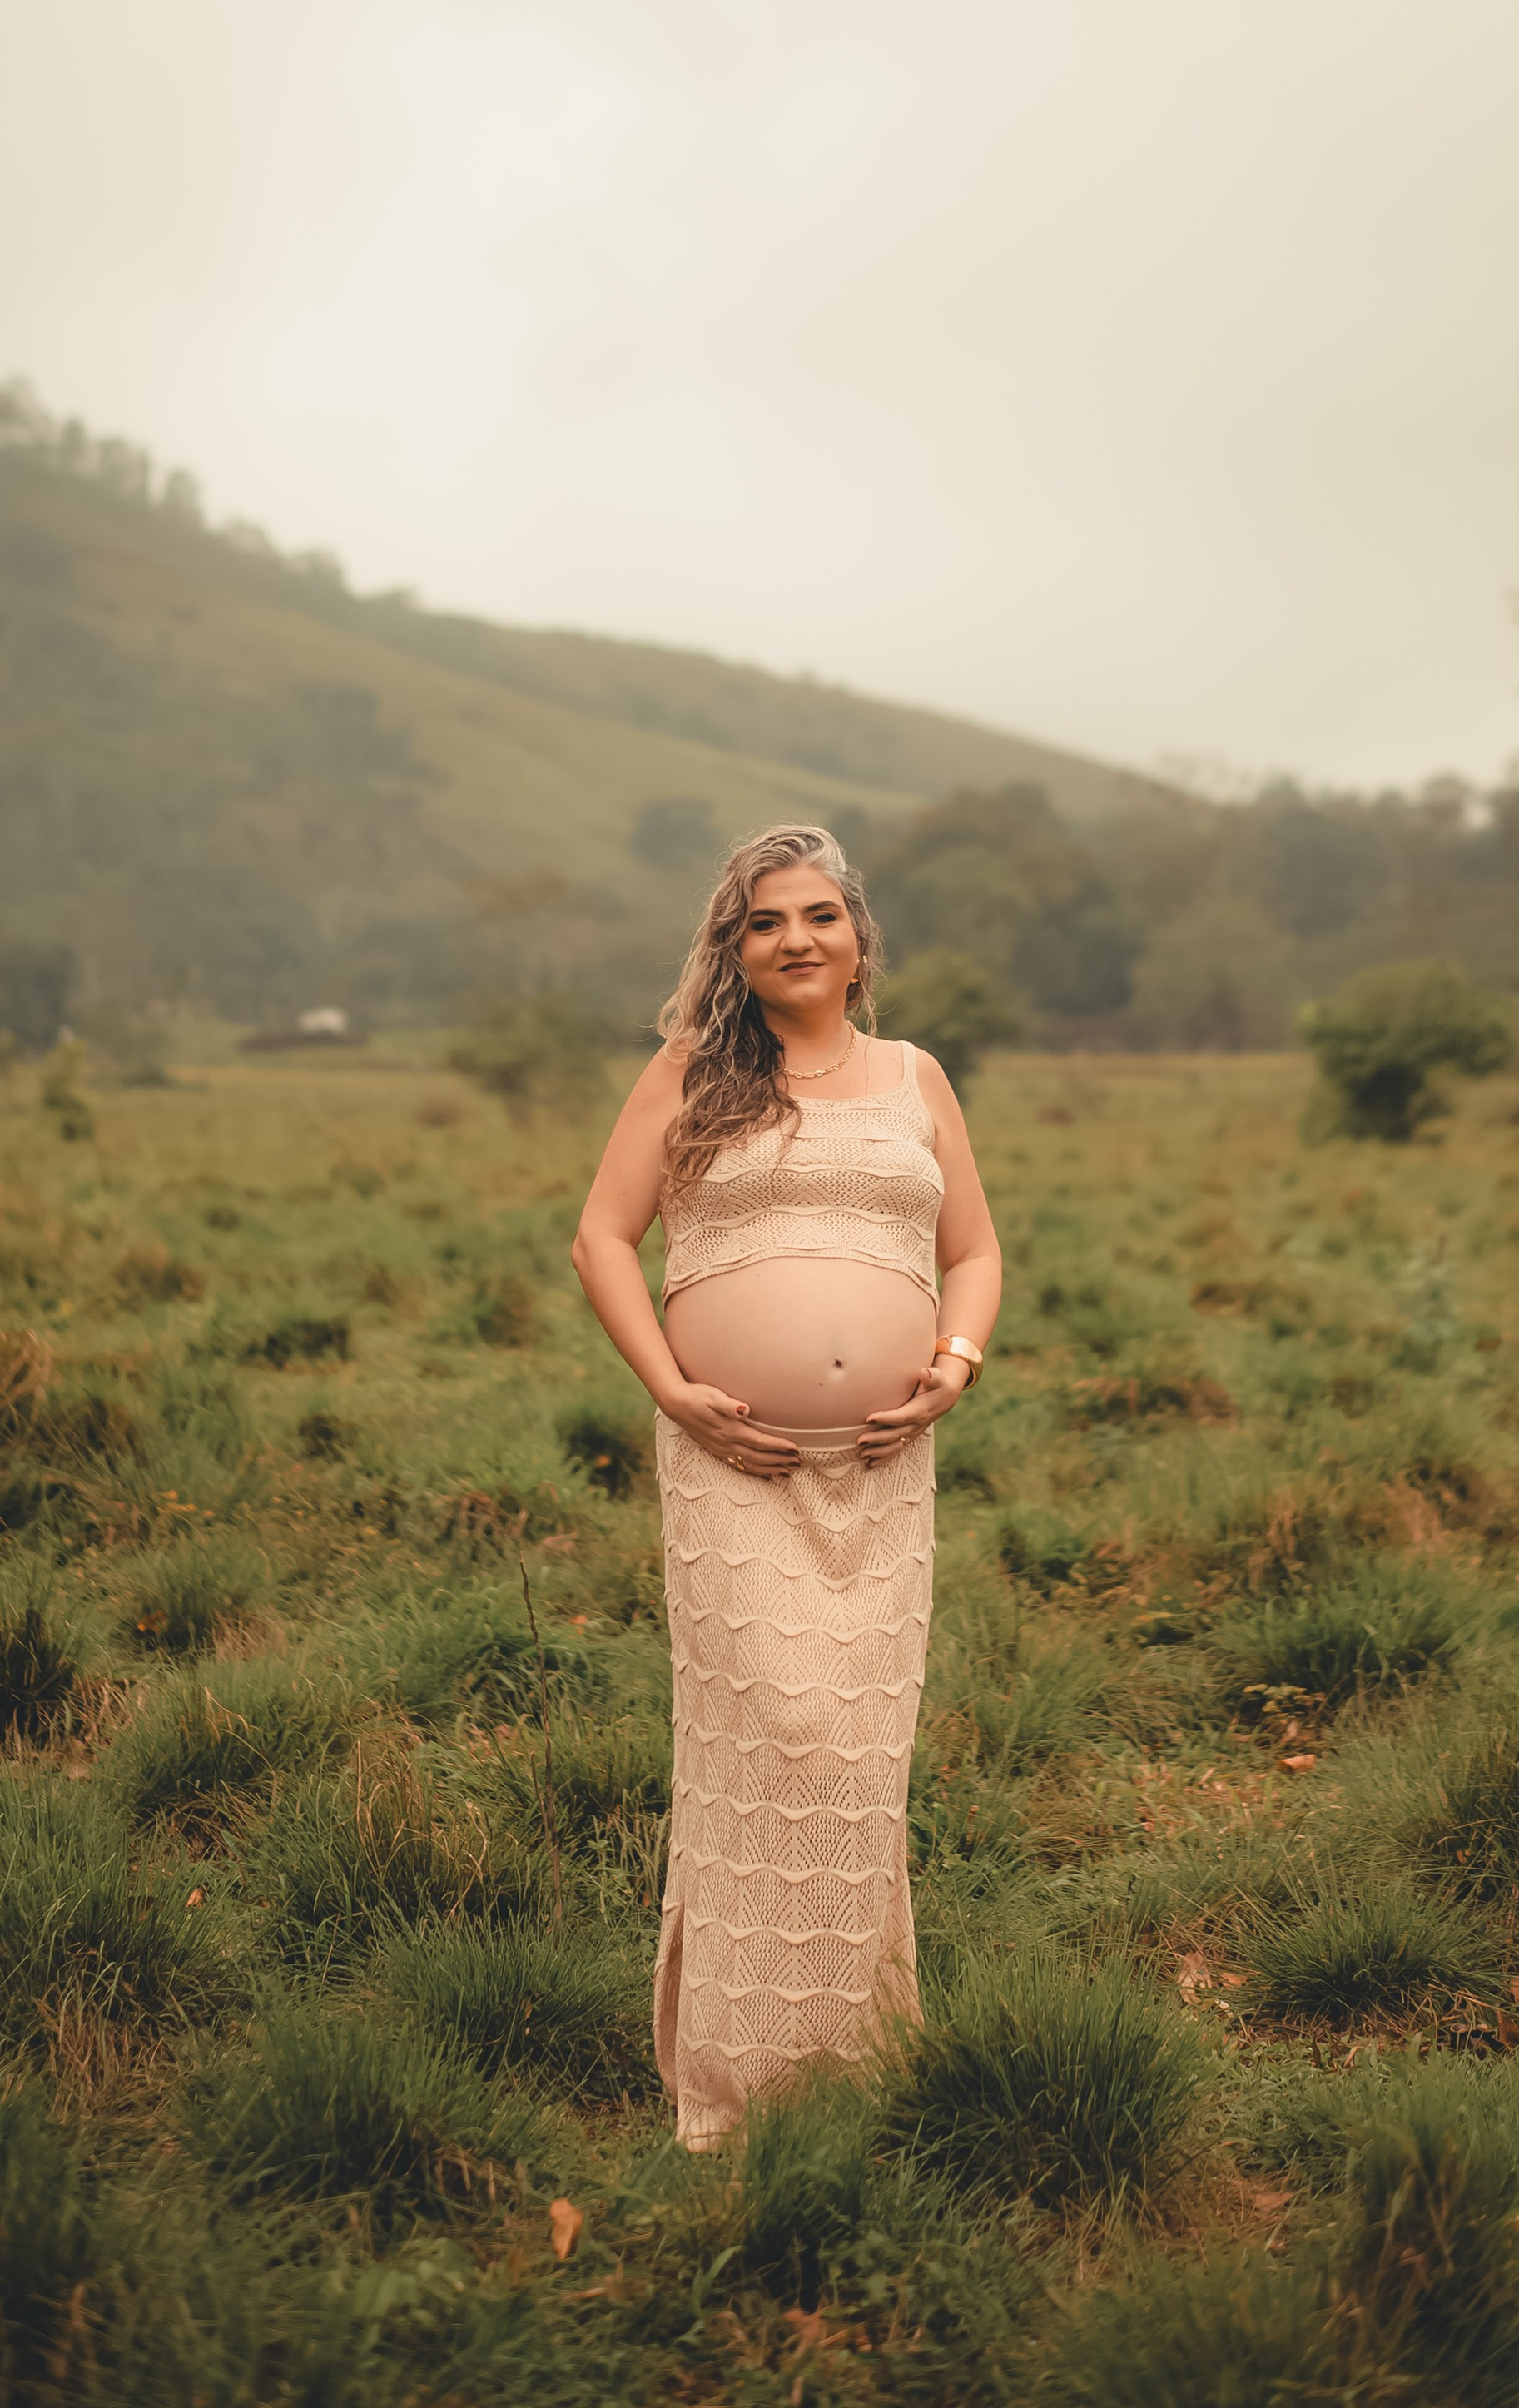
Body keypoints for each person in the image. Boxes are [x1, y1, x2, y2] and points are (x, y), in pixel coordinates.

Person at [571, 823, 1003, 2149]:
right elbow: (601, 1233)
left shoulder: (917, 1076)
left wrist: (956, 1358)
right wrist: (667, 1385)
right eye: (766, 921)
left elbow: (976, 1249)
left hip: (883, 1469)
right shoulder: (695, 1072)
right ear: (735, 948)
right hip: (729, 1464)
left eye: (821, 914)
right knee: (765, 1750)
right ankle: (735, 2089)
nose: (796, 938)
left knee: (858, 1764)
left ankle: (858, 2074)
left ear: (859, 941)